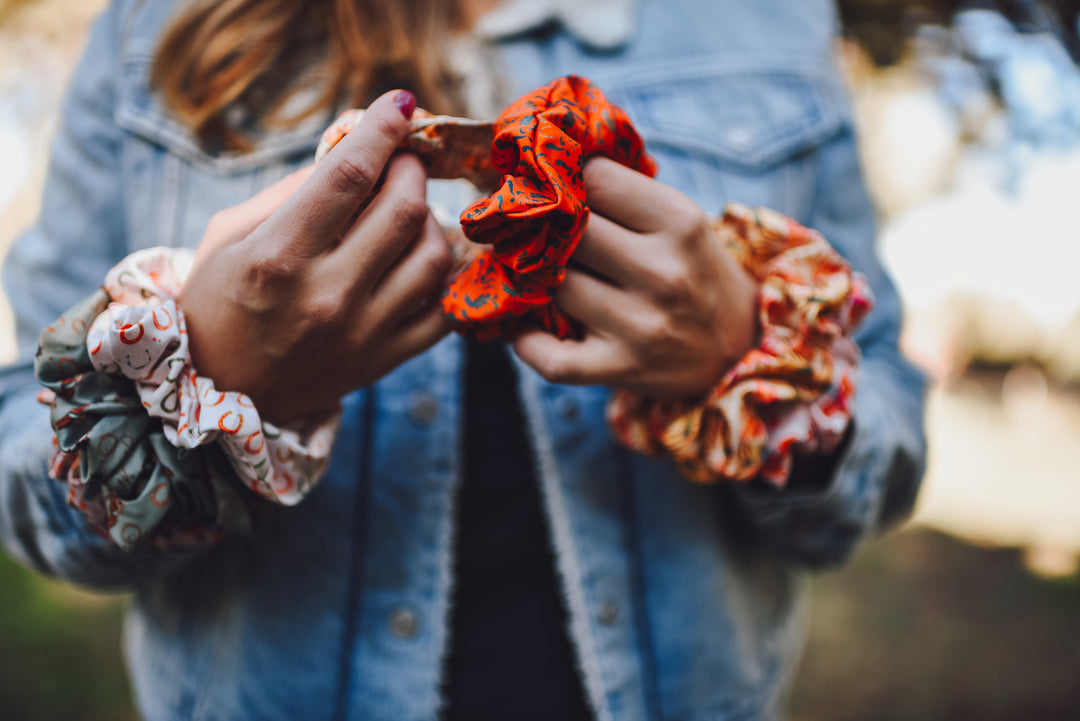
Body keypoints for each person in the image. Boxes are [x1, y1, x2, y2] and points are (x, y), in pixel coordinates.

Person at [0, 0, 927, 719]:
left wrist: (746, 357)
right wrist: (195, 383)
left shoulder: (768, 21)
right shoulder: (152, 31)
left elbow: (879, 450)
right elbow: (31, 484)